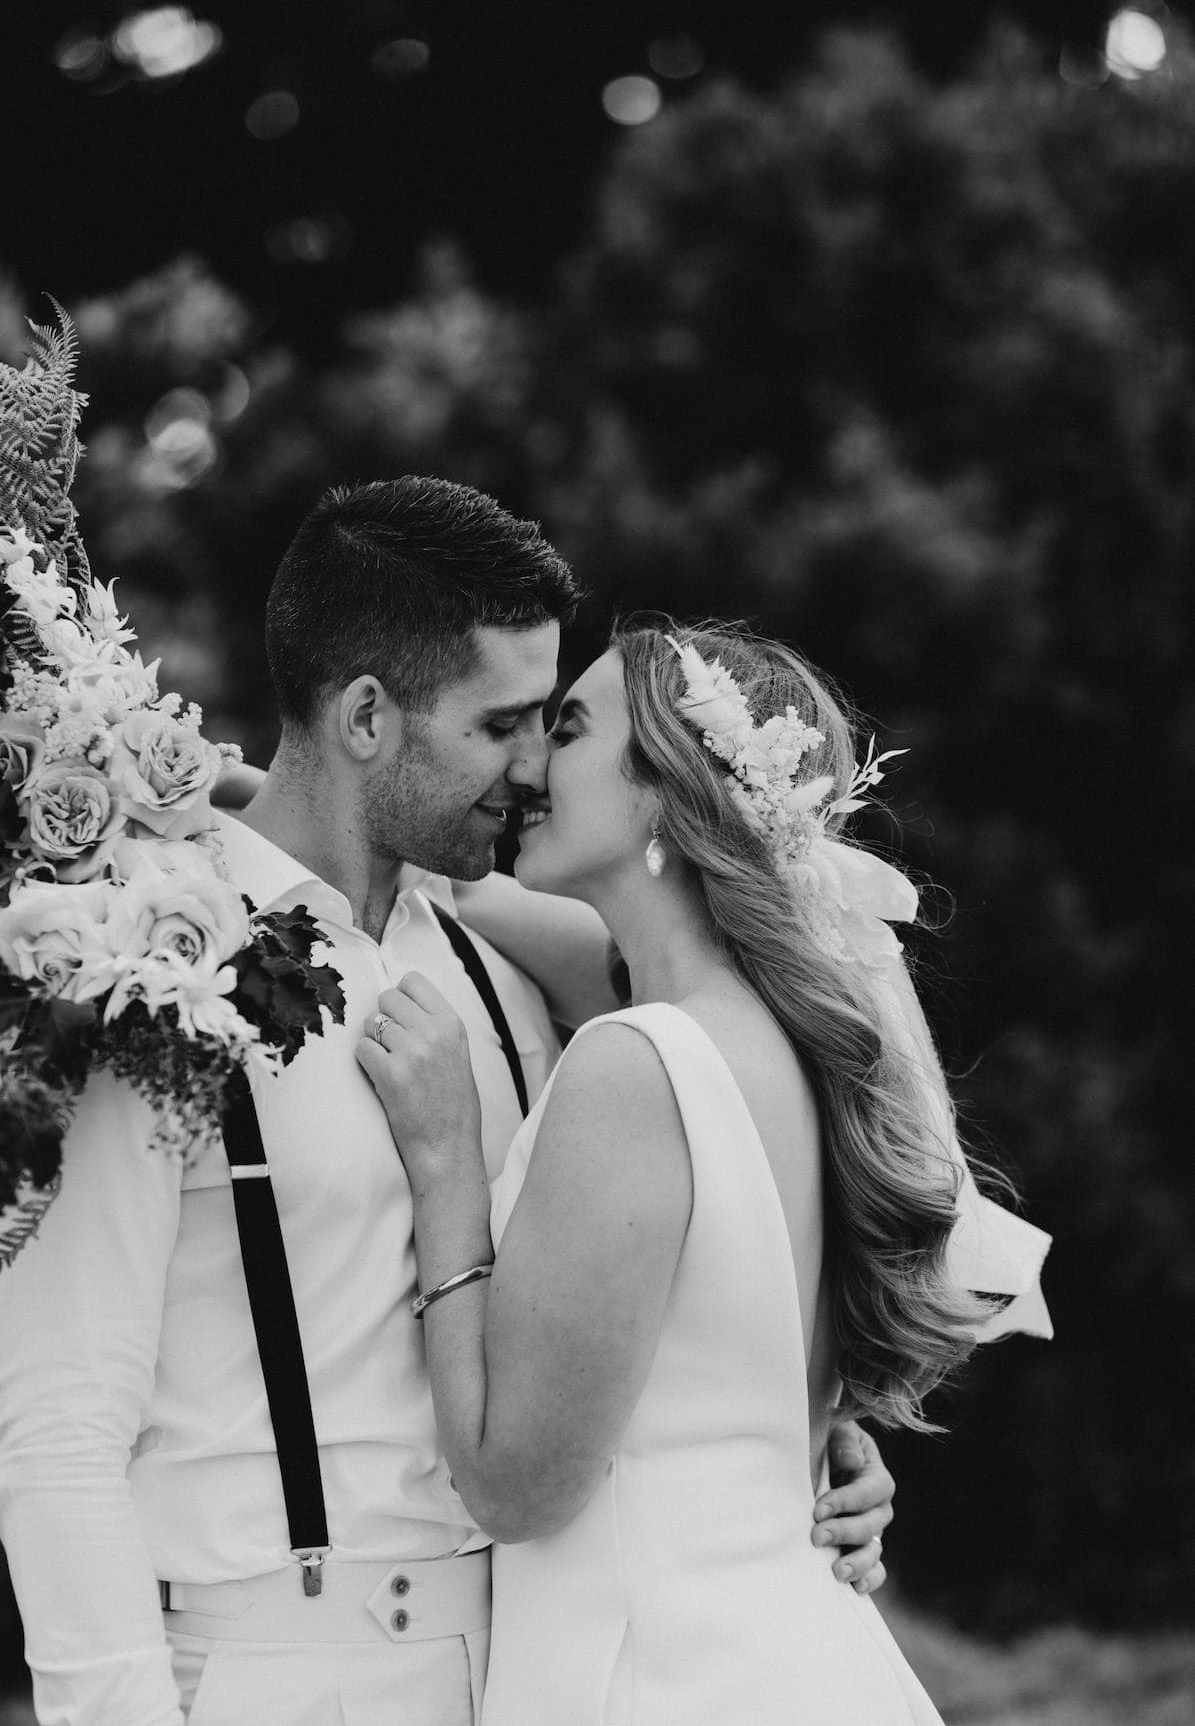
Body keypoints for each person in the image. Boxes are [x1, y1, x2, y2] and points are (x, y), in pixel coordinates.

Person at [0, 480, 896, 1726]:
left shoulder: (501, 969)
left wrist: (797, 1441)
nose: (534, 768)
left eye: (550, 723)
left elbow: (638, 1274)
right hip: (277, 1676)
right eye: (505, 723)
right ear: (368, 715)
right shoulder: (148, 976)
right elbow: (53, 1430)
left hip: (532, 1667)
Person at [355, 615, 1050, 1725]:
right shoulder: (796, 1039)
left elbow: (515, 1484)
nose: (527, 761)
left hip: (658, 1677)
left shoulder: (636, 1064)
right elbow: (455, 899)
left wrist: (445, 1169)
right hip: (794, 1653)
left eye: (567, 728)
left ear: (664, 795)